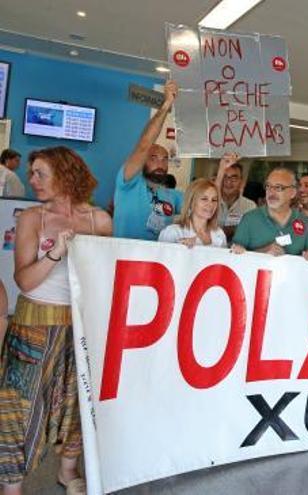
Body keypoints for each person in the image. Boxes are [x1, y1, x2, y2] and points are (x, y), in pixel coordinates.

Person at [0, 147, 112, 495]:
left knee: (76, 401)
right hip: (32, 325)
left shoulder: (99, 221)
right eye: (31, 173)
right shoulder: (32, 218)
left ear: (65, 173)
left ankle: (67, 470)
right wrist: (55, 254)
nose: (32, 181)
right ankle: (11, 482)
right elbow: (25, 281)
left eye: (40, 173)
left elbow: (106, 279)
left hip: (79, 324)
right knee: (16, 405)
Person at [112, 80, 183, 240]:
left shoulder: (172, 196)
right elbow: (144, 145)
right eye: (154, 158)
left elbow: (206, 202)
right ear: (143, 160)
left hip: (157, 263)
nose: (161, 164)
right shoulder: (128, 183)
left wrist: (221, 170)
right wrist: (166, 104)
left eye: (165, 159)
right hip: (126, 261)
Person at [231, 167, 308, 261]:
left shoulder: (302, 220)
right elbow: (234, 257)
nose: (271, 192)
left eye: (278, 187)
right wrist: (264, 251)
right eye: (268, 186)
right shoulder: (250, 219)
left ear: (293, 193)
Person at [158, 179, 227, 248]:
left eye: (214, 200)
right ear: (191, 202)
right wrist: (180, 249)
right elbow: (159, 256)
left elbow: (225, 258)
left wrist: (235, 254)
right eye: (204, 199)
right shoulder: (173, 232)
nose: (210, 204)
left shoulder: (219, 234)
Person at [214, 152, 256, 241]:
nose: (228, 182)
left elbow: (251, 233)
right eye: (225, 177)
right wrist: (234, 229)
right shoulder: (209, 202)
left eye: (234, 178)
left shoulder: (250, 206)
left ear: (241, 181)